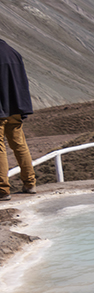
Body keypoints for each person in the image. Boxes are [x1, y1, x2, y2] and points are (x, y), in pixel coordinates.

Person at [0, 39, 36, 201]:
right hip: (15, 107)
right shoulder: (14, 53)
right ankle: (30, 183)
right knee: (20, 145)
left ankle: (2, 189)